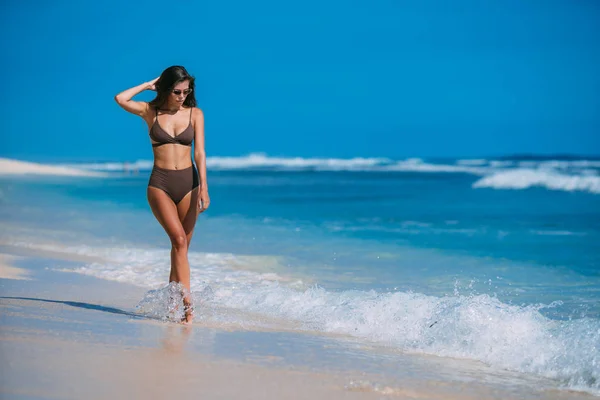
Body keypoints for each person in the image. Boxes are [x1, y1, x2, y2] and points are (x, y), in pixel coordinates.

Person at [115, 65, 210, 323]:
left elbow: (199, 153)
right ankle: (188, 306)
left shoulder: (195, 114)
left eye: (186, 91)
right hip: (161, 184)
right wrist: (147, 85)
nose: (182, 97)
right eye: (177, 91)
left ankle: (171, 306)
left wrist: (204, 186)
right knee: (178, 241)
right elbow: (121, 99)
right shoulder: (150, 111)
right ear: (167, 89)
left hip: (189, 184)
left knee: (181, 248)